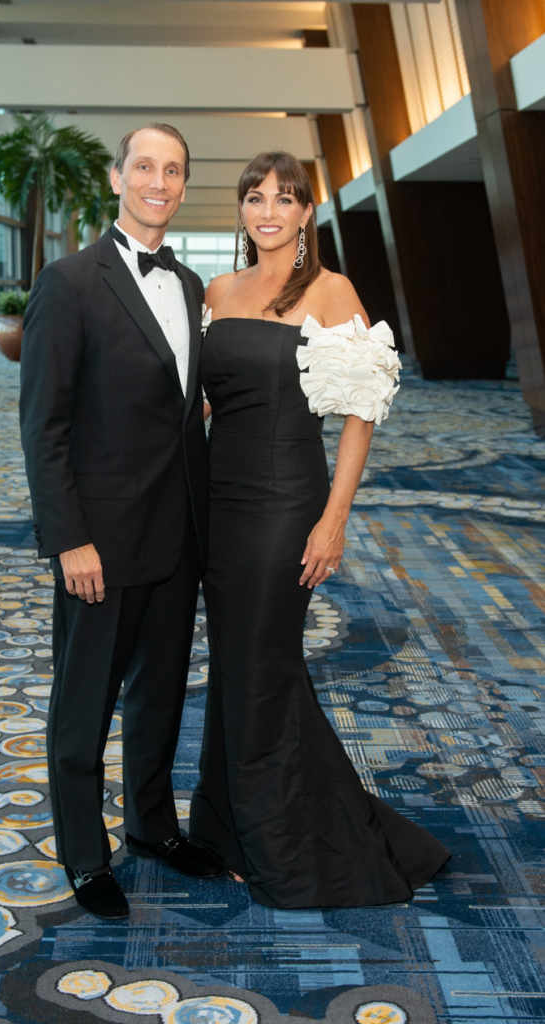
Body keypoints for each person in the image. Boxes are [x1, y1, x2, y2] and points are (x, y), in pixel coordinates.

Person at [189, 151, 450, 909]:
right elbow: (203, 405)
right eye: (255, 197)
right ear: (241, 209)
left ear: (306, 213)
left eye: (286, 198)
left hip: (283, 504)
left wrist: (333, 520)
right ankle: (231, 824)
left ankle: (286, 842)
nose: (268, 210)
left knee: (262, 664)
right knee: (237, 664)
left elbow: (361, 412)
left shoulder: (331, 291)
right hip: (218, 504)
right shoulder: (218, 291)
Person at [19, 123, 223, 922]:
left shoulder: (193, 285)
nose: (159, 182)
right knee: (83, 705)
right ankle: (82, 854)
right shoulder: (69, 282)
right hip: (97, 541)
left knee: (162, 695)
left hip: (178, 534)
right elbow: (45, 426)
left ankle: (151, 827)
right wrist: (69, 537)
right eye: (145, 166)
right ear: (116, 176)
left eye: (173, 170)